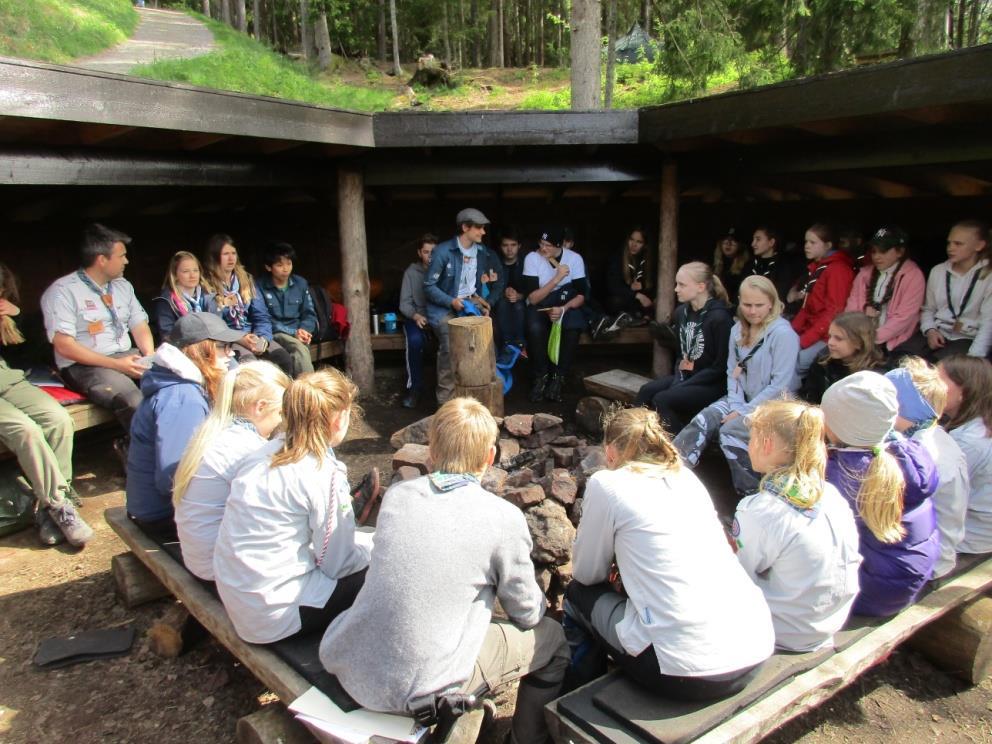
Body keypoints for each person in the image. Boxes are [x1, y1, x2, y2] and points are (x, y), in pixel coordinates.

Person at [321, 398, 569, 744]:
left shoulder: (398, 497)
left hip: (351, 661)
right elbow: (527, 612)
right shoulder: (502, 518)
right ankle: (526, 739)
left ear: (431, 452)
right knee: (555, 641)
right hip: (416, 689)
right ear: (489, 458)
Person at [564, 407, 773, 698]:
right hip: (755, 646)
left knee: (576, 597)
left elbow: (586, 574)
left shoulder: (607, 484)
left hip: (686, 669)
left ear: (610, 451)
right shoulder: (686, 478)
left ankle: (578, 698)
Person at [213, 368, 373, 644]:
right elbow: (339, 564)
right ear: (340, 418)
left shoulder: (262, 454)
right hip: (276, 615)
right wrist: (373, 551)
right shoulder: (322, 473)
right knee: (386, 568)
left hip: (240, 595)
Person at [733, 399, 861, 652]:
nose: (748, 446)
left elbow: (737, 573)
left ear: (766, 444)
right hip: (825, 623)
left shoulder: (761, 509)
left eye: (751, 438)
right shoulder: (829, 494)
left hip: (780, 630)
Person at [821, 371, 939, 617]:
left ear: (840, 425)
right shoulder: (912, 453)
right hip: (907, 580)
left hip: (869, 592)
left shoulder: (844, 476)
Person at [672, 275, 800, 497]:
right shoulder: (737, 329)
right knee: (704, 419)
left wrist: (743, 411)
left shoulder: (783, 334)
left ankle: (750, 495)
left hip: (773, 406)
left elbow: (780, 386)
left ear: (771, 302)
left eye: (758, 305)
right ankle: (671, 473)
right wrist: (736, 403)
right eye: (747, 304)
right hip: (740, 399)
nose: (752, 311)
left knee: (730, 432)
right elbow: (733, 372)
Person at [125, 313, 242, 543]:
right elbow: (174, 476)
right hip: (162, 516)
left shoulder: (184, 384)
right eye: (223, 347)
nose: (231, 354)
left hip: (165, 508)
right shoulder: (182, 397)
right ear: (199, 350)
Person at [0, 263, 92, 547]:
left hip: (8, 377)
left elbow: (30, 355)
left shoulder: (7, 314)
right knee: (26, 430)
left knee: (59, 419)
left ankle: (49, 511)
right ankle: (59, 505)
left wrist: (19, 318)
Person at [173, 361, 290, 581]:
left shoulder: (210, 432)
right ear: (260, 407)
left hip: (200, 557)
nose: (279, 422)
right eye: (279, 413)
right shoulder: (246, 450)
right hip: (220, 570)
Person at [40, 223, 154, 433]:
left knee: (174, 381)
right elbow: (64, 346)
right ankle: (145, 459)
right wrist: (116, 364)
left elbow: (139, 324)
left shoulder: (122, 285)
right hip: (86, 365)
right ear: (102, 259)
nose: (127, 261)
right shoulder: (63, 291)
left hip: (127, 355)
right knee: (133, 400)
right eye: (122, 256)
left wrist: (150, 357)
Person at [887, 359, 969, 579]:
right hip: (925, 547)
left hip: (927, 561)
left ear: (903, 408)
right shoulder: (927, 434)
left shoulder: (922, 456)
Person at [636, 262, 733, 433]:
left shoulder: (720, 318)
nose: (676, 289)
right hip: (686, 377)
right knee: (646, 390)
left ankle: (681, 448)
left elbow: (720, 368)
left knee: (662, 399)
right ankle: (635, 436)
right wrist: (679, 379)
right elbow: (682, 355)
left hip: (712, 384)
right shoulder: (682, 313)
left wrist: (682, 385)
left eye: (681, 284)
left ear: (700, 287)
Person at [423, 209, 504, 405]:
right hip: (444, 308)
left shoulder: (482, 252)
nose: (483, 232)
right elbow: (428, 287)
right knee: (450, 344)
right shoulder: (443, 251)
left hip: (469, 303)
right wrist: (451, 301)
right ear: (465, 227)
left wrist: (484, 303)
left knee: (487, 342)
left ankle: (484, 403)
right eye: (478, 228)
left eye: (484, 228)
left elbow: (486, 283)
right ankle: (446, 405)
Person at [201, 233, 294, 377]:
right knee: (250, 365)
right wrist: (240, 338)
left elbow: (261, 316)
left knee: (283, 359)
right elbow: (212, 324)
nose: (231, 258)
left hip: (252, 335)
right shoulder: (207, 285)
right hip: (229, 339)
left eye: (233, 253)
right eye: (226, 254)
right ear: (215, 256)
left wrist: (263, 339)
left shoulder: (246, 280)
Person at [523, 227, 589, 403]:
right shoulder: (532, 258)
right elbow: (533, 298)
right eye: (541, 244)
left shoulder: (574, 259)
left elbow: (581, 295)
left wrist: (563, 310)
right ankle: (541, 376)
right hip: (540, 305)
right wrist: (557, 279)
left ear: (559, 245)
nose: (543, 248)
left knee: (573, 327)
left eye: (548, 245)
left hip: (564, 304)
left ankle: (558, 378)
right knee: (535, 328)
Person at [937, 355, 992, 555]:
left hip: (971, 537)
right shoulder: (972, 425)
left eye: (938, 382)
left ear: (965, 391)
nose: (929, 388)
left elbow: (935, 490)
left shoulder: (971, 441)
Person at [845, 226, 926, 357]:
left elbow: (904, 317)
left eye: (883, 251)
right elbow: (852, 306)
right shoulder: (864, 273)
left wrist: (872, 339)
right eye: (874, 251)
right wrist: (856, 335)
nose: (876, 256)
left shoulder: (913, 276)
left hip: (893, 343)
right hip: (859, 338)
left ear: (900, 252)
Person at [788, 223, 856, 378]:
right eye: (806, 242)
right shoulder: (818, 267)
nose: (807, 246)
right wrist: (790, 333)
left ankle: (789, 400)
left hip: (827, 335)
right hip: (811, 331)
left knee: (798, 361)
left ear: (828, 245)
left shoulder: (838, 270)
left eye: (813, 242)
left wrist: (803, 341)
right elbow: (806, 308)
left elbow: (834, 312)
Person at [921, 220, 992, 360]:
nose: (950, 248)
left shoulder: (988, 275)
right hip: (939, 334)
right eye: (949, 243)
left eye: (958, 244)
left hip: (969, 339)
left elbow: (989, 322)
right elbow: (928, 309)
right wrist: (930, 330)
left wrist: (973, 359)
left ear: (979, 245)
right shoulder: (938, 271)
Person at [257, 241, 319, 377]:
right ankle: (309, 389)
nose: (285, 269)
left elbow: (309, 314)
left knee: (298, 350)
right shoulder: (260, 286)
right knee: (298, 348)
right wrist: (293, 333)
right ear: (268, 267)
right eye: (279, 265)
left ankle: (300, 390)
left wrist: (304, 330)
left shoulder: (300, 283)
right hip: (275, 333)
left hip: (299, 334)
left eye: (289, 263)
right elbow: (263, 318)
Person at [800, 311, 885, 405]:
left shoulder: (874, 376)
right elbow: (809, 398)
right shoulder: (823, 360)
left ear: (859, 342)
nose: (830, 342)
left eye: (838, 338)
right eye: (830, 336)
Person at [398, 234, 437, 409]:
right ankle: (414, 389)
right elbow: (404, 304)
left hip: (437, 317)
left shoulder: (443, 271)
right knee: (414, 342)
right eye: (426, 252)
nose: (430, 256)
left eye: (433, 252)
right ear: (419, 253)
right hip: (415, 318)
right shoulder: (411, 273)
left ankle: (447, 391)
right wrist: (416, 316)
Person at [152, 251, 213, 341]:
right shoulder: (166, 301)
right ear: (175, 275)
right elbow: (167, 336)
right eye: (186, 271)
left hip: (212, 345)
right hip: (183, 349)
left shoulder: (209, 295)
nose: (192, 275)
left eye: (195, 270)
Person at [605, 226, 654, 320]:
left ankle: (642, 316)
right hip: (625, 298)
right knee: (615, 302)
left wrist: (643, 286)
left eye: (639, 242)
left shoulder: (649, 260)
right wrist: (636, 294)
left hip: (642, 299)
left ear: (645, 245)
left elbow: (654, 284)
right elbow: (613, 286)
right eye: (631, 239)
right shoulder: (618, 258)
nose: (633, 244)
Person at [748, 226, 803, 305]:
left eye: (758, 239)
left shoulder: (782, 266)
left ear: (771, 242)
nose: (753, 244)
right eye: (753, 239)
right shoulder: (750, 264)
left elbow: (780, 295)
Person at [494, 228, 527, 351]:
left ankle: (520, 344)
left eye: (513, 245)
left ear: (519, 246)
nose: (509, 249)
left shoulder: (526, 263)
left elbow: (533, 289)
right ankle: (507, 345)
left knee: (518, 306)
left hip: (523, 302)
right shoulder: (495, 263)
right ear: (500, 247)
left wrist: (520, 296)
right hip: (501, 302)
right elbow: (490, 289)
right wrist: (504, 293)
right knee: (503, 304)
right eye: (505, 245)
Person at [712, 229, 751, 304]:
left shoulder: (746, 265)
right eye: (725, 241)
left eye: (733, 241)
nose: (728, 244)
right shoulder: (715, 263)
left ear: (740, 245)